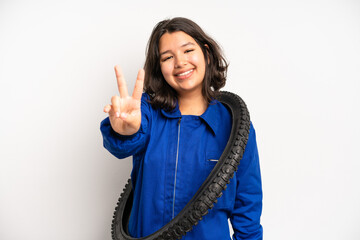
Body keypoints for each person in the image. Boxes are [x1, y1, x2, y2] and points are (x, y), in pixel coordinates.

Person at [100, 17, 263, 240]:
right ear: (160, 68)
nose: (180, 62)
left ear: (205, 52)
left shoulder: (235, 126)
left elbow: (248, 205)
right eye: (168, 57)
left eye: (188, 50)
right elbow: (122, 143)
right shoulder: (147, 112)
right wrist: (124, 130)